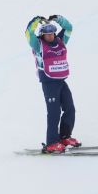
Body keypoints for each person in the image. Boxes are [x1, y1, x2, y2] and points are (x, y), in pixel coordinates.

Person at [25, 15, 79, 153]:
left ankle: (65, 136)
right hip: (49, 83)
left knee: (70, 108)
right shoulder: (38, 45)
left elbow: (69, 28)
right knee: (54, 112)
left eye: (51, 33)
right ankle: (51, 142)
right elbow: (28, 32)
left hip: (61, 81)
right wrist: (36, 21)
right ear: (42, 35)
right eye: (46, 34)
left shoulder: (60, 41)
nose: (49, 36)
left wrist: (58, 19)